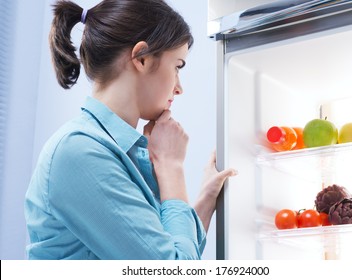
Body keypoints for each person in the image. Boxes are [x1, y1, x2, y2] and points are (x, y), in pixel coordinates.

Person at [24, 0, 237, 260]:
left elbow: (170, 250)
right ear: (142, 58)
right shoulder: (79, 152)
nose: (179, 87)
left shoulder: (118, 151)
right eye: (177, 66)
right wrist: (171, 168)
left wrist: (206, 199)